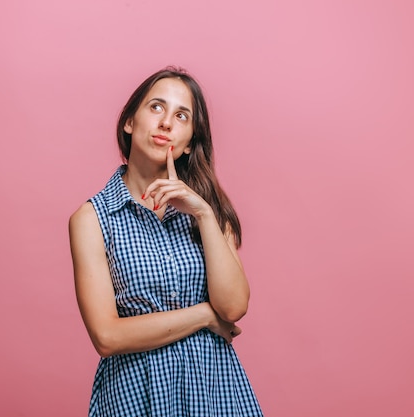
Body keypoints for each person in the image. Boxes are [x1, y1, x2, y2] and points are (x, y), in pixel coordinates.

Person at [69, 66, 264, 416]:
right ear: (130, 121)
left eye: (181, 115)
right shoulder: (92, 220)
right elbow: (107, 337)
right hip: (134, 395)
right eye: (156, 107)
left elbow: (233, 308)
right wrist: (204, 316)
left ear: (189, 142)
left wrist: (203, 214)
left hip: (215, 392)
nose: (166, 123)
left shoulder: (210, 211)